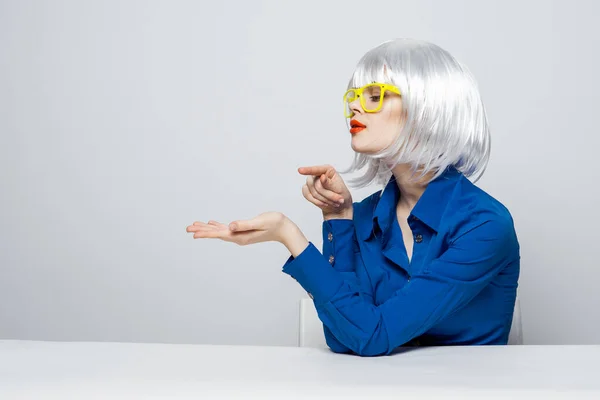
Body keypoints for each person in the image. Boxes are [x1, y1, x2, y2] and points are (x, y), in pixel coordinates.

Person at [186, 38, 520, 356]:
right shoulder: (362, 217)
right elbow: (344, 338)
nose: (355, 106)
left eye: (374, 95)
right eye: (354, 96)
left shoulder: (485, 225)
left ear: (427, 109)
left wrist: (289, 235)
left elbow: (372, 335)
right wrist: (338, 220)